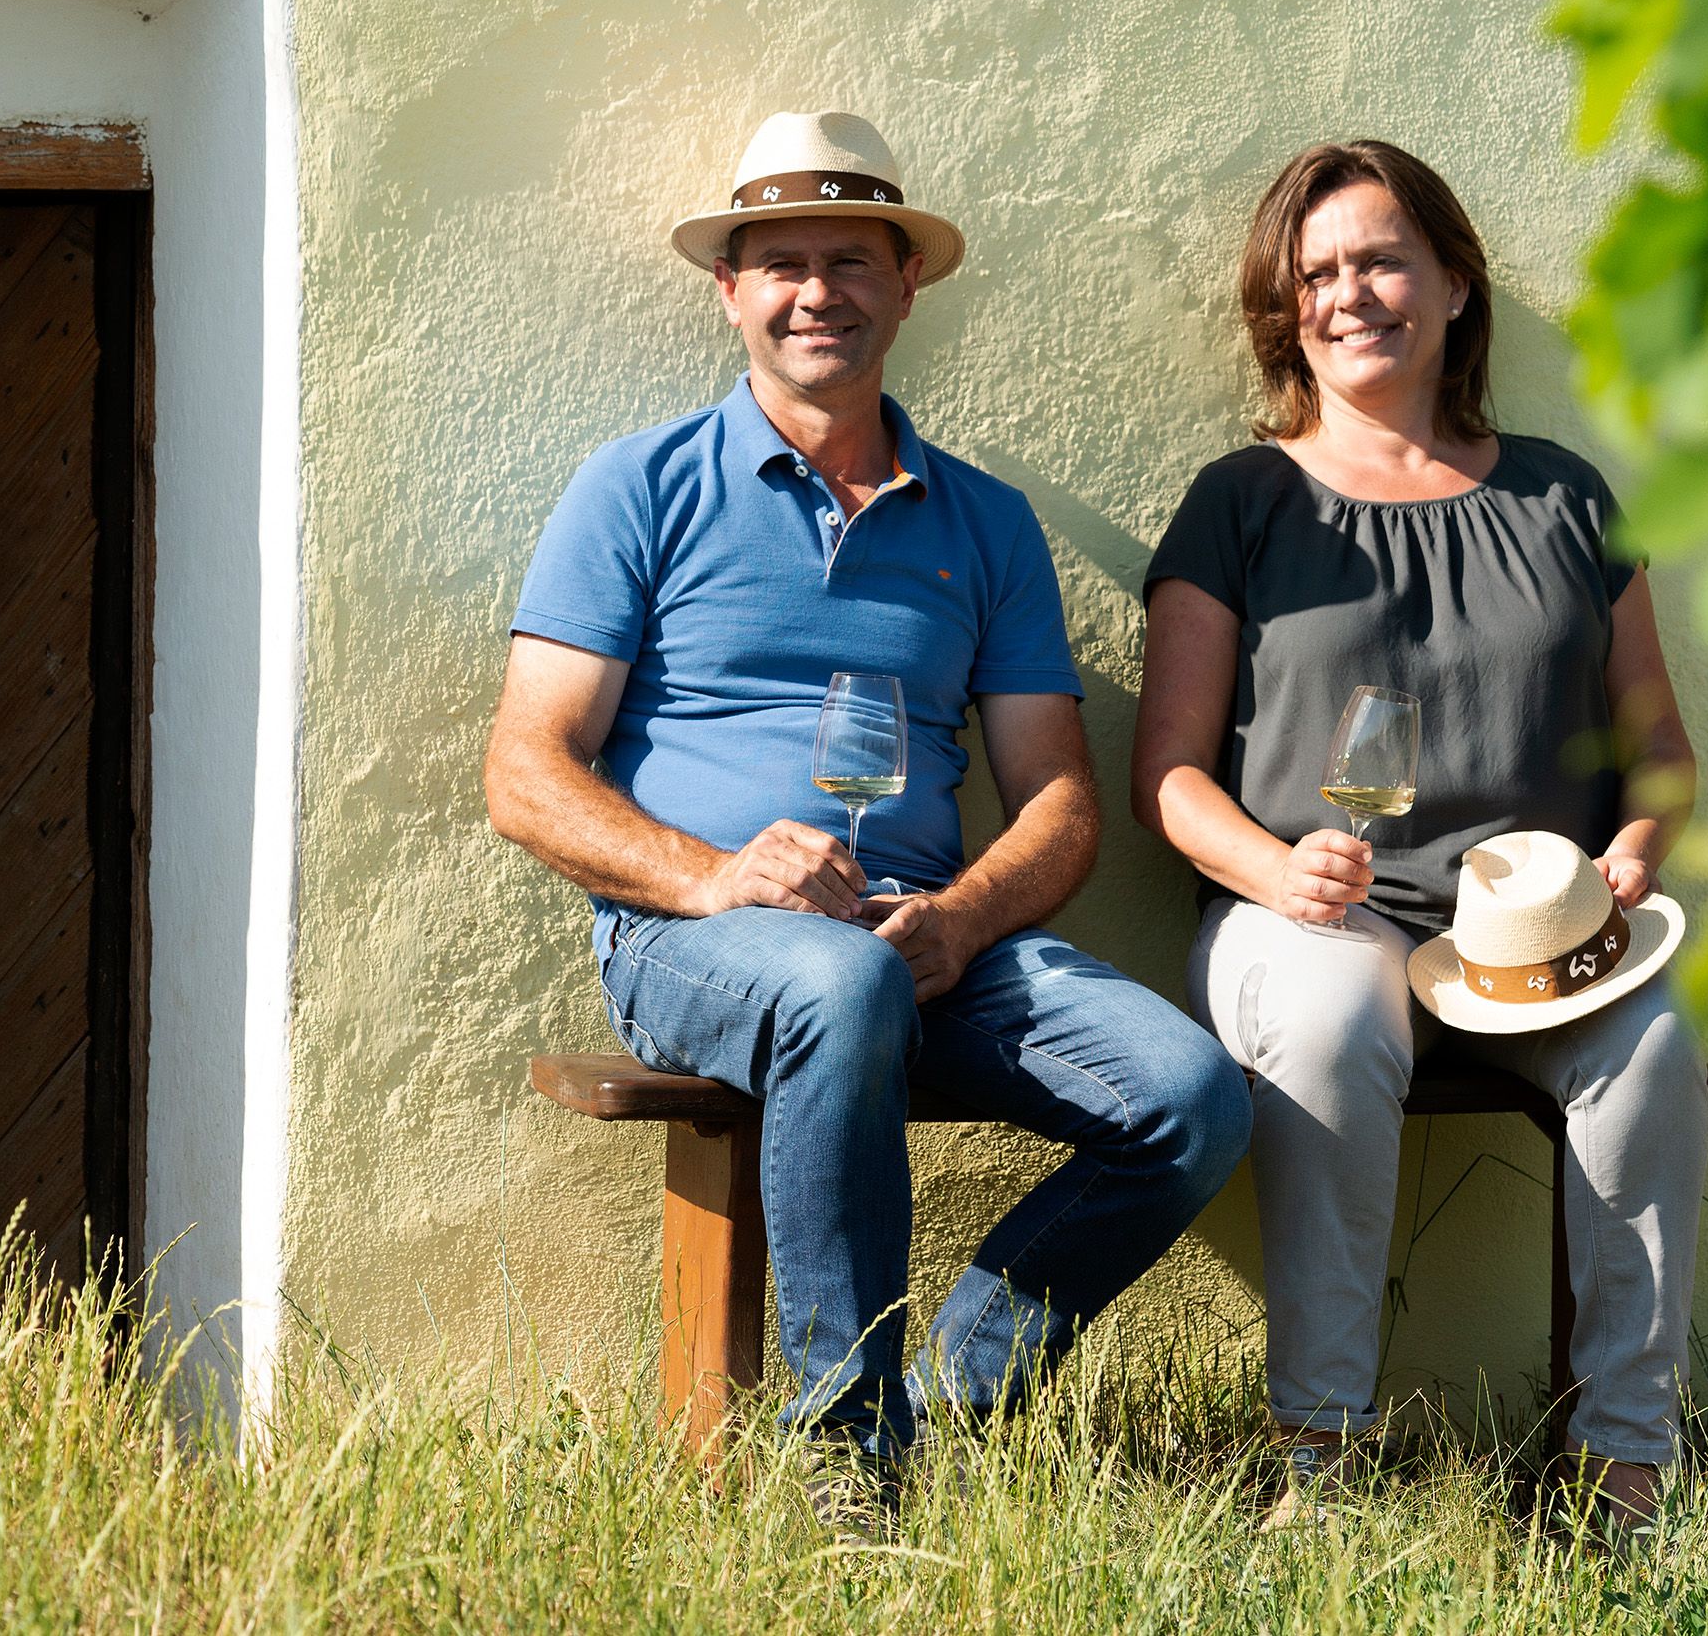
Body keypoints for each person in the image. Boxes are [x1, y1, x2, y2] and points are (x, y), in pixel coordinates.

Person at [487, 110, 1251, 1464]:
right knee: (837, 988)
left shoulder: (983, 522)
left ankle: (964, 1380)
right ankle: (849, 1450)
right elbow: (526, 773)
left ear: (907, 288)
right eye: (780, 261)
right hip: (694, 942)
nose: (815, 290)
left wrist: (960, 920)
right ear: (730, 293)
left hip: (924, 942)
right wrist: (714, 878)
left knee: (1191, 1093)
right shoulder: (639, 488)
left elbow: (1060, 798)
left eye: (851, 258)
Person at [1132, 137, 1705, 1532]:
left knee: (1653, 1049)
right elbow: (1169, 778)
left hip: (1535, 939)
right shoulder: (1241, 504)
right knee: (1332, 1021)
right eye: (1316, 273)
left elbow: (1664, 751)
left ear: (1454, 283)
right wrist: (1276, 868)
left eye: (1382, 260)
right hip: (1314, 921)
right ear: (1288, 311)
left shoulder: (1568, 496)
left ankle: (1627, 1474)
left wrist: (1636, 851)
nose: (1351, 294)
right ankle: (1315, 1466)